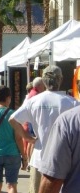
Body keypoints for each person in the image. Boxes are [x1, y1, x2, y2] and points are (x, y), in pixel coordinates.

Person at [9, 65, 79, 193]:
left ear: (44, 81)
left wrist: (29, 138)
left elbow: (13, 119)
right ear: (60, 79)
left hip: (40, 157)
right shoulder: (72, 102)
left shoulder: (34, 101)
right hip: (66, 161)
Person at [0, 86, 26, 193]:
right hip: (12, 152)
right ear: (8, 98)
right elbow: (18, 138)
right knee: (11, 185)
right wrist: (24, 156)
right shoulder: (13, 115)